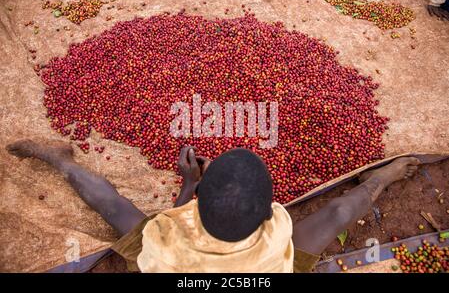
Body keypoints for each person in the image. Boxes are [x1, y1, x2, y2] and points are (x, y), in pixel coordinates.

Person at [6, 139, 420, 272]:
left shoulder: (163, 238)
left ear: (196, 210)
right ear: (267, 213)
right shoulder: (279, 239)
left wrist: (188, 184)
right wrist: (386, 174)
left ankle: (59, 159)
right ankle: (58, 159)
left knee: (112, 207)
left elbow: (111, 201)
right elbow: (340, 213)